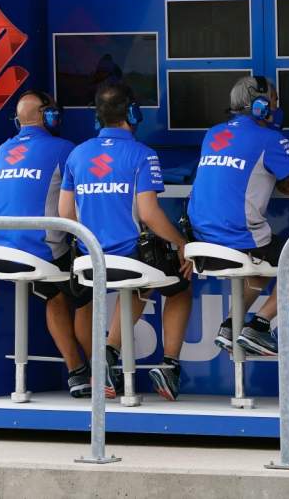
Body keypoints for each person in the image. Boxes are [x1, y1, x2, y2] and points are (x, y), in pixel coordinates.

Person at [59, 82, 193, 401]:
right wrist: (181, 243)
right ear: (133, 113)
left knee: (137, 286)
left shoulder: (78, 155)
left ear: (98, 116)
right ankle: (169, 365)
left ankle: (107, 354)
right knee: (181, 287)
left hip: (89, 260)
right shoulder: (142, 155)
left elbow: (65, 213)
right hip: (131, 258)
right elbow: (149, 214)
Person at [187, 76, 289, 356]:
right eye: (275, 102)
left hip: (201, 240)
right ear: (260, 106)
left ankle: (231, 325)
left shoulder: (213, 133)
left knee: (265, 258)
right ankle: (260, 326)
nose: (278, 108)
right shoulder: (269, 137)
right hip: (237, 238)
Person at [0, 91, 93, 397]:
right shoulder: (64, 148)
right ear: (48, 115)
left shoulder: (4, 149)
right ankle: (102, 372)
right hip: (39, 250)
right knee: (88, 284)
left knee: (55, 294)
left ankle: (76, 371)